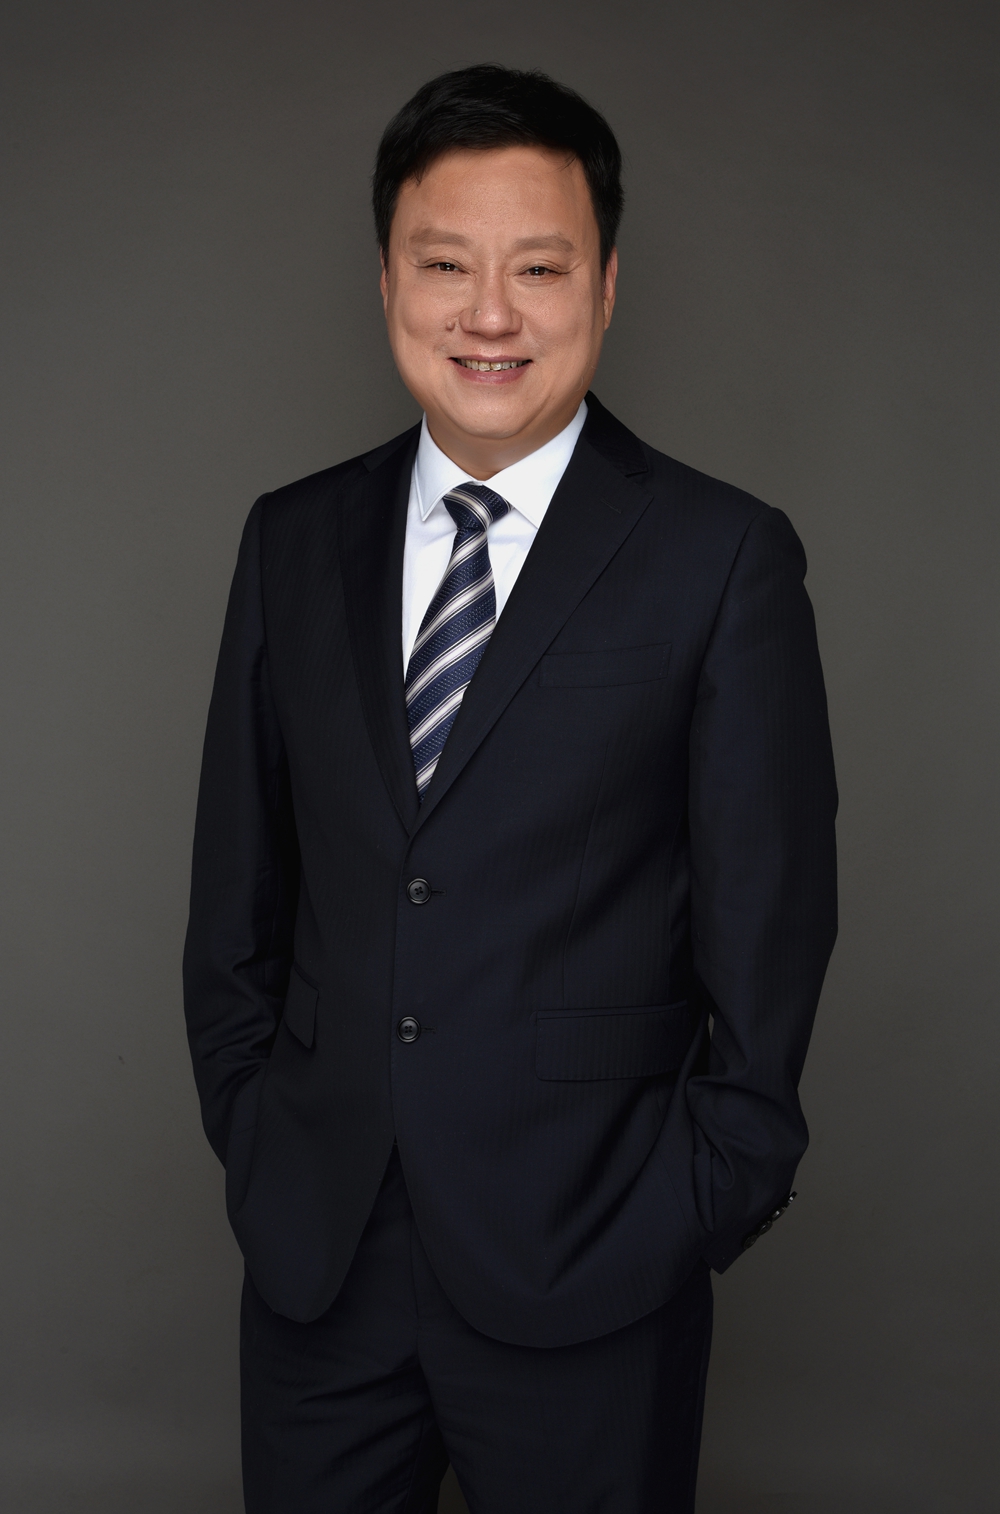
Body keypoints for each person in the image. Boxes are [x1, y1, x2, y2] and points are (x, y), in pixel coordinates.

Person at [183, 64, 837, 1514]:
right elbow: (236, 898)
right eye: (446, 266)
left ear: (604, 285)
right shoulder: (290, 541)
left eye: (537, 268)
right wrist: (259, 1140)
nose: (490, 314)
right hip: (319, 1262)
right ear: (386, 282)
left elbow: (772, 926)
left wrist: (691, 1207)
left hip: (594, 1263)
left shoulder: (722, 559)